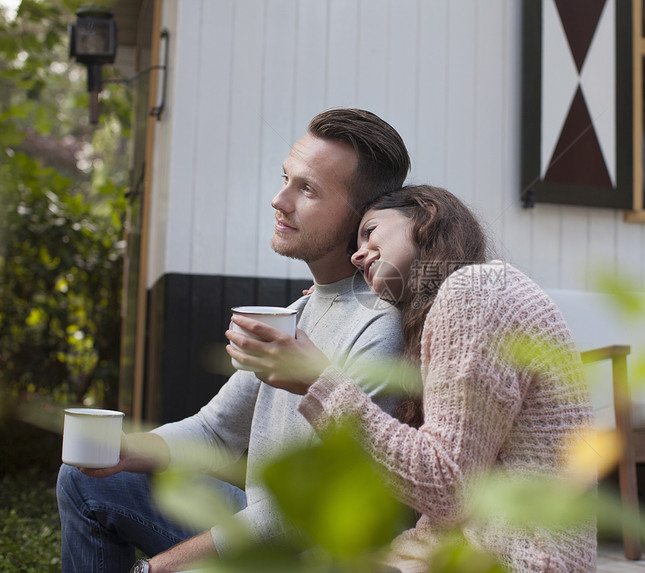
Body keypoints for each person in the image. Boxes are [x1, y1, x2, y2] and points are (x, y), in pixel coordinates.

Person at [56, 108, 412, 573]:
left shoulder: (379, 326)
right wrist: (128, 451)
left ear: (360, 218)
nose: (279, 200)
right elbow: (215, 431)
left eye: (307, 189)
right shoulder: (299, 312)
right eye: (286, 178)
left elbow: (312, 513)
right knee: (86, 480)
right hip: (264, 521)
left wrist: (158, 567)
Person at [227, 185, 597, 572]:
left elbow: (447, 487)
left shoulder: (472, 291)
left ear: (426, 214)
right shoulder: (480, 293)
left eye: (370, 232)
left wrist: (319, 381)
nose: (356, 255)